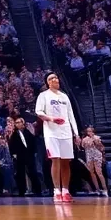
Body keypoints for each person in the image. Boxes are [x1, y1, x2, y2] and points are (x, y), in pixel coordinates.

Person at [36, 72, 79, 203]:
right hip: (51, 132)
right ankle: (57, 190)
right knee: (55, 159)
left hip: (65, 132)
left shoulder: (64, 96)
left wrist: (76, 134)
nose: (55, 79)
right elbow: (39, 112)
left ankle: (66, 190)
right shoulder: (43, 96)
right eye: (52, 78)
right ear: (48, 82)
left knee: (66, 162)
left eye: (56, 77)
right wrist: (52, 119)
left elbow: (71, 115)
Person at [8, 116, 42, 196]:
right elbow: (11, 146)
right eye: (16, 123)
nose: (17, 124)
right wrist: (14, 154)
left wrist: (34, 152)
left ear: (23, 123)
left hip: (29, 155)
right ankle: (21, 191)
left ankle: (37, 190)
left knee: (33, 172)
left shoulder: (28, 132)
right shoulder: (14, 135)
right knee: (20, 174)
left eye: (18, 122)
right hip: (19, 156)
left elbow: (33, 142)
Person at [81, 126, 108, 196]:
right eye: (88, 131)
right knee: (91, 172)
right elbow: (83, 146)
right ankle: (97, 189)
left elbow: (101, 147)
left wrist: (95, 140)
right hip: (89, 155)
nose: (90, 132)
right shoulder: (84, 139)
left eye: (91, 131)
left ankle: (105, 189)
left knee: (99, 172)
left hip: (96, 155)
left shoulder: (97, 138)